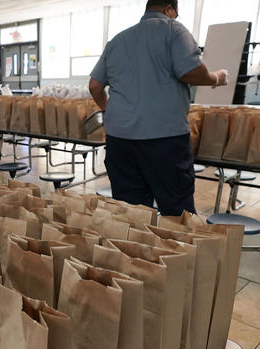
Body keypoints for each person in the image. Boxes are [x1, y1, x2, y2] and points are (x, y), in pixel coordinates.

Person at [89, 0, 228, 216]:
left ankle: (134, 248)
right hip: (164, 140)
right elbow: (190, 71)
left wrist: (111, 112)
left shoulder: (117, 40)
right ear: (169, 9)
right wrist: (216, 78)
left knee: (131, 210)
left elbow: (95, 86)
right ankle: (174, 249)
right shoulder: (173, 30)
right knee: (176, 210)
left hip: (120, 141)